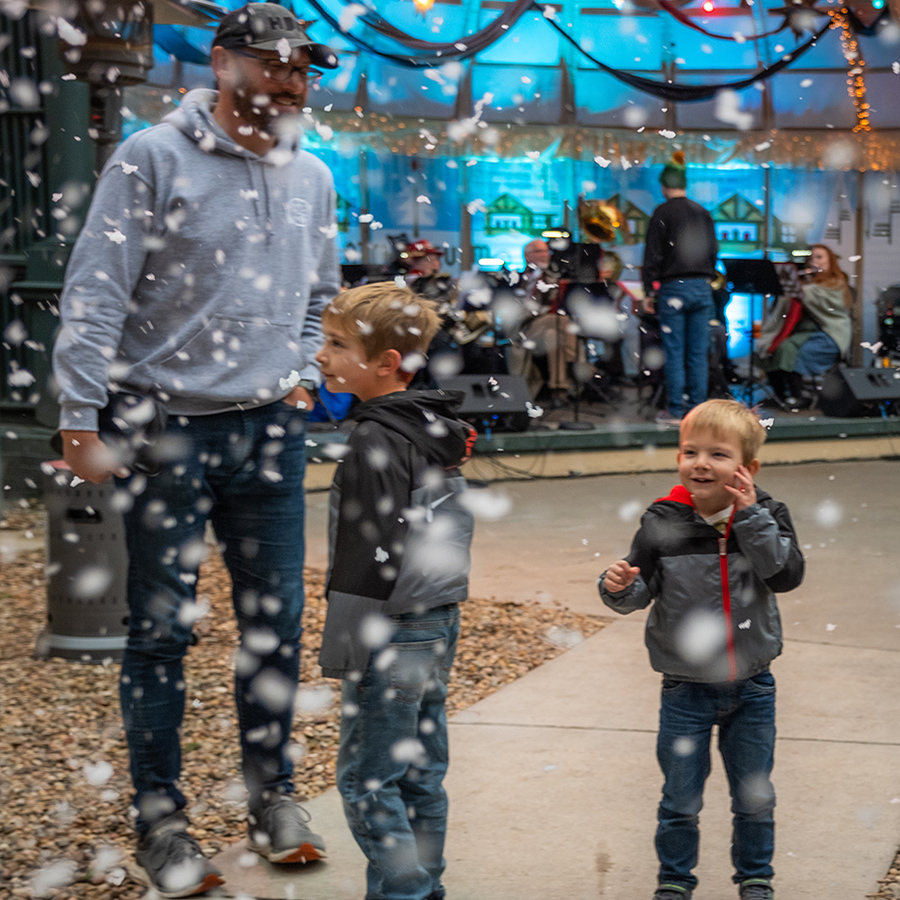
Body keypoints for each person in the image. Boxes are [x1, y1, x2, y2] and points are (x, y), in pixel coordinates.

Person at [51, 4, 341, 896]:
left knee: (275, 626)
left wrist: (297, 377)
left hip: (269, 433)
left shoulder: (315, 177)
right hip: (160, 427)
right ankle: (161, 820)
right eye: (274, 63)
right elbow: (95, 292)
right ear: (223, 64)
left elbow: (319, 295)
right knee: (159, 634)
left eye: (304, 68)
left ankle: (272, 796)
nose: (291, 81)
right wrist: (79, 418)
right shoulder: (149, 158)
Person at [599, 399, 805, 900]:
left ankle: (755, 877)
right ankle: (674, 880)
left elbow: (785, 575)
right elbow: (636, 592)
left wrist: (749, 515)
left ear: (747, 468)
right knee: (679, 800)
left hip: (752, 688)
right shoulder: (662, 522)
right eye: (690, 451)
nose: (700, 463)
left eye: (718, 453)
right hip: (684, 691)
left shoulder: (768, 516)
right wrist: (616, 585)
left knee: (754, 799)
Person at [315, 281, 475, 900]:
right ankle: (416, 887)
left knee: (367, 781)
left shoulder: (372, 440)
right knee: (421, 774)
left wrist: (345, 645)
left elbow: (367, 556)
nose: (322, 356)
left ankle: (407, 893)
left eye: (336, 344)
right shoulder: (429, 426)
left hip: (390, 625)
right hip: (436, 619)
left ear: (385, 364)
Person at [642, 152, 719, 426]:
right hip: (702, 286)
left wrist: (650, 292)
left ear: (663, 186)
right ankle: (697, 411)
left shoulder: (662, 213)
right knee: (698, 353)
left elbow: (653, 257)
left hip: (674, 288)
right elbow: (713, 253)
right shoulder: (703, 212)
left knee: (674, 351)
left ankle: (675, 411)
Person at [757, 244, 853, 409]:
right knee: (770, 348)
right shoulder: (806, 283)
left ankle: (797, 396)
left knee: (789, 350)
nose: (813, 262)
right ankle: (781, 397)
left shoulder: (836, 283)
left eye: (819, 257)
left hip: (828, 336)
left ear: (830, 261)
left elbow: (816, 297)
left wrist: (794, 286)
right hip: (803, 334)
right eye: (810, 258)